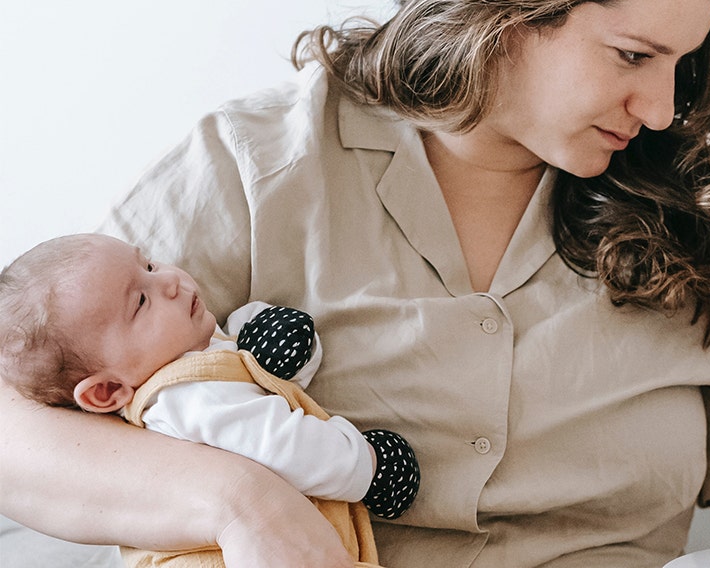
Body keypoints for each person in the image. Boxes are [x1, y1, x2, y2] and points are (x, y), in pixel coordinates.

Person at [0, 0, 710, 566]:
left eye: (684, 65)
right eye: (633, 57)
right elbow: (20, 420)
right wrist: (241, 502)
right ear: (507, 5)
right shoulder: (257, 165)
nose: (664, 110)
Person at [0, 233, 421, 567]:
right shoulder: (185, 399)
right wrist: (365, 465)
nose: (168, 281)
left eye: (148, 263)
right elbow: (286, 446)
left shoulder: (188, 359)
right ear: (107, 391)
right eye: (141, 302)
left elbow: (250, 374)